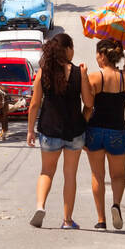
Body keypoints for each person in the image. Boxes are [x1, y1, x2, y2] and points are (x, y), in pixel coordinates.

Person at [27, 33, 95, 229]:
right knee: (70, 175)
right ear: (67, 50)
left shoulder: (43, 72)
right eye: (72, 47)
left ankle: (40, 206)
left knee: (46, 172)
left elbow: (34, 104)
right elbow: (89, 103)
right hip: (74, 132)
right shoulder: (78, 72)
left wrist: (30, 130)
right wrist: (85, 77)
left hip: (49, 130)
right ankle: (67, 220)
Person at [84, 38, 125, 229]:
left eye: (98, 54)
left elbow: (88, 106)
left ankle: (100, 220)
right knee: (118, 175)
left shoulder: (95, 77)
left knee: (97, 175)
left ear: (104, 56)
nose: (96, 58)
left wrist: (83, 129)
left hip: (95, 130)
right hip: (118, 131)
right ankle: (116, 204)